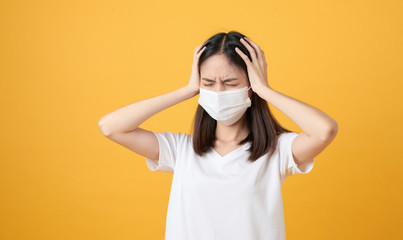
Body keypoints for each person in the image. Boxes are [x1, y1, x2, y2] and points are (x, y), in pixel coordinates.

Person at [98, 31, 338, 240]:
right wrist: (188, 89)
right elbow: (111, 126)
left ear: (250, 86)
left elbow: (324, 130)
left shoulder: (277, 151)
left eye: (231, 82)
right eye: (209, 82)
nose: (219, 91)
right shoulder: (181, 150)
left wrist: (265, 90)